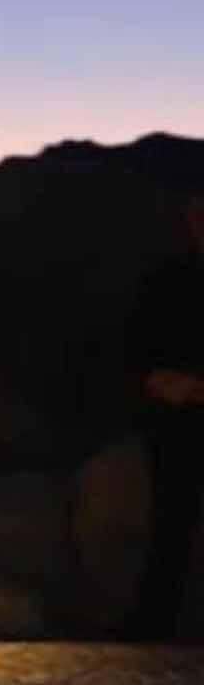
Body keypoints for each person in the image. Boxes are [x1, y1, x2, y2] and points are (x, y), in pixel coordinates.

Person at [126, 194, 204, 640]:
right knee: (172, 522)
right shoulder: (167, 282)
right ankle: (155, 623)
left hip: (180, 412)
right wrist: (168, 384)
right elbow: (139, 355)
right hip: (177, 422)